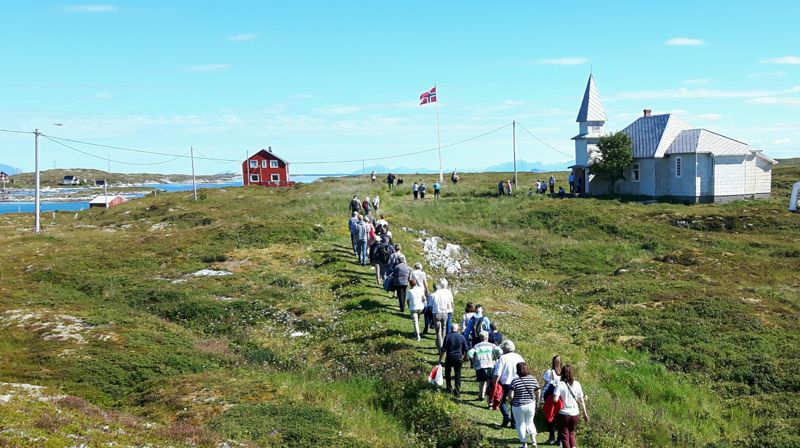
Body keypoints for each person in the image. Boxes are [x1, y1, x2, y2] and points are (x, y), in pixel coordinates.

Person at [553, 365, 588, 448]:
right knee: (572, 432)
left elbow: (555, 399)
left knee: (564, 434)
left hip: (563, 414)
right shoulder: (577, 384)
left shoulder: (560, 384)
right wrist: (585, 413)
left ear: (562, 373)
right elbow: (581, 400)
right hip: (575, 414)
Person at [492, 339, 525, 428]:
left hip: (506, 383)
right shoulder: (519, 357)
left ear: (505, 348)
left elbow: (498, 372)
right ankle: (514, 423)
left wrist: (494, 383)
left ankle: (506, 416)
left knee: (501, 401)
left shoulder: (503, 358)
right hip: (518, 382)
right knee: (514, 402)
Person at [509, 362, 540, 448]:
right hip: (530, 404)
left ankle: (524, 444)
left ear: (517, 370)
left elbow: (511, 395)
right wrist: (537, 401)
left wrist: (510, 401)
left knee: (521, 424)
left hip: (518, 406)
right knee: (530, 422)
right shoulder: (532, 379)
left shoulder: (515, 381)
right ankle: (533, 440)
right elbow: (538, 391)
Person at [467, 331, 502, 400]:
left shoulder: (477, 346)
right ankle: (488, 394)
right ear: (487, 337)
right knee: (489, 381)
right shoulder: (491, 345)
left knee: (481, 381)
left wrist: (473, 360)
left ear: (480, 338)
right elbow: (500, 351)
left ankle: (481, 395)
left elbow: (469, 353)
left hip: (480, 366)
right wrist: (495, 357)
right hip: (490, 365)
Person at [438, 323, 468, 398]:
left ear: (451, 329)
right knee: (458, 375)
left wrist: (440, 359)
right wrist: (465, 357)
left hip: (449, 357)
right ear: (457, 329)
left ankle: (449, 388)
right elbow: (466, 349)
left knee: (448, 373)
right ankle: (457, 391)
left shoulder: (448, 336)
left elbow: (443, 349)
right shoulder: (462, 337)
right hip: (458, 358)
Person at [542, 355, 563, 446]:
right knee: (560, 419)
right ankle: (559, 439)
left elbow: (546, 385)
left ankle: (551, 437)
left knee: (550, 417)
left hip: (550, 398)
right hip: (561, 398)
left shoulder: (549, 372)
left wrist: (542, 397)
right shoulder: (564, 372)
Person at [431, 278, 454, 352]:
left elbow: (430, 305)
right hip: (446, 312)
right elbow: (450, 302)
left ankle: (440, 347)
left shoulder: (435, 294)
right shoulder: (447, 292)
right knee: (445, 328)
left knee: (438, 332)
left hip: (436, 312)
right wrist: (451, 309)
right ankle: (444, 344)